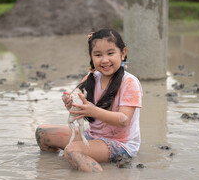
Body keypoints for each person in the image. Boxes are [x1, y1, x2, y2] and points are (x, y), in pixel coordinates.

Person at [35, 28, 143, 172]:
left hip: (119, 144)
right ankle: (52, 169)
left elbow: (124, 119)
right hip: (92, 136)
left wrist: (94, 111)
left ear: (122, 53)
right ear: (91, 57)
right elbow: (80, 108)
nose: (105, 60)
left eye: (110, 53)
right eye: (98, 55)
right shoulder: (92, 77)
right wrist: (70, 104)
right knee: (43, 133)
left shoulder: (129, 82)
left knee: (72, 151)